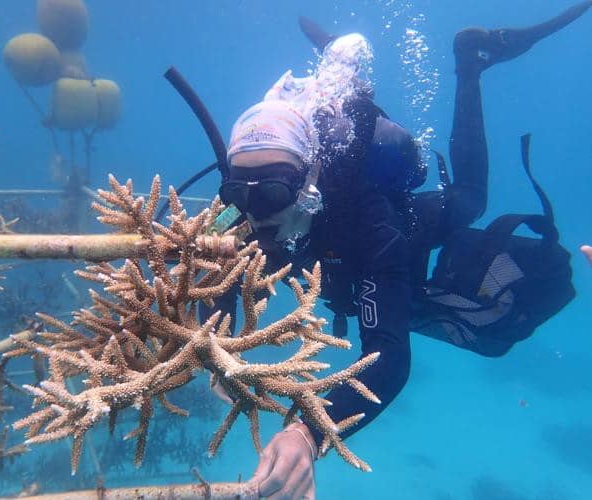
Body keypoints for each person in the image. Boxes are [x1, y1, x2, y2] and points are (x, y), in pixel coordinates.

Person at [206, 3, 591, 499]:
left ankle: (469, 62)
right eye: (240, 193)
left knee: (471, 201)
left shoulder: (373, 228)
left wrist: (309, 431)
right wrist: (212, 335)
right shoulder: (239, 219)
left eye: (274, 193)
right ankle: (342, 70)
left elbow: (387, 360)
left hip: (403, 232)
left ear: (308, 180)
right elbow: (210, 265)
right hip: (340, 245)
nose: (257, 214)